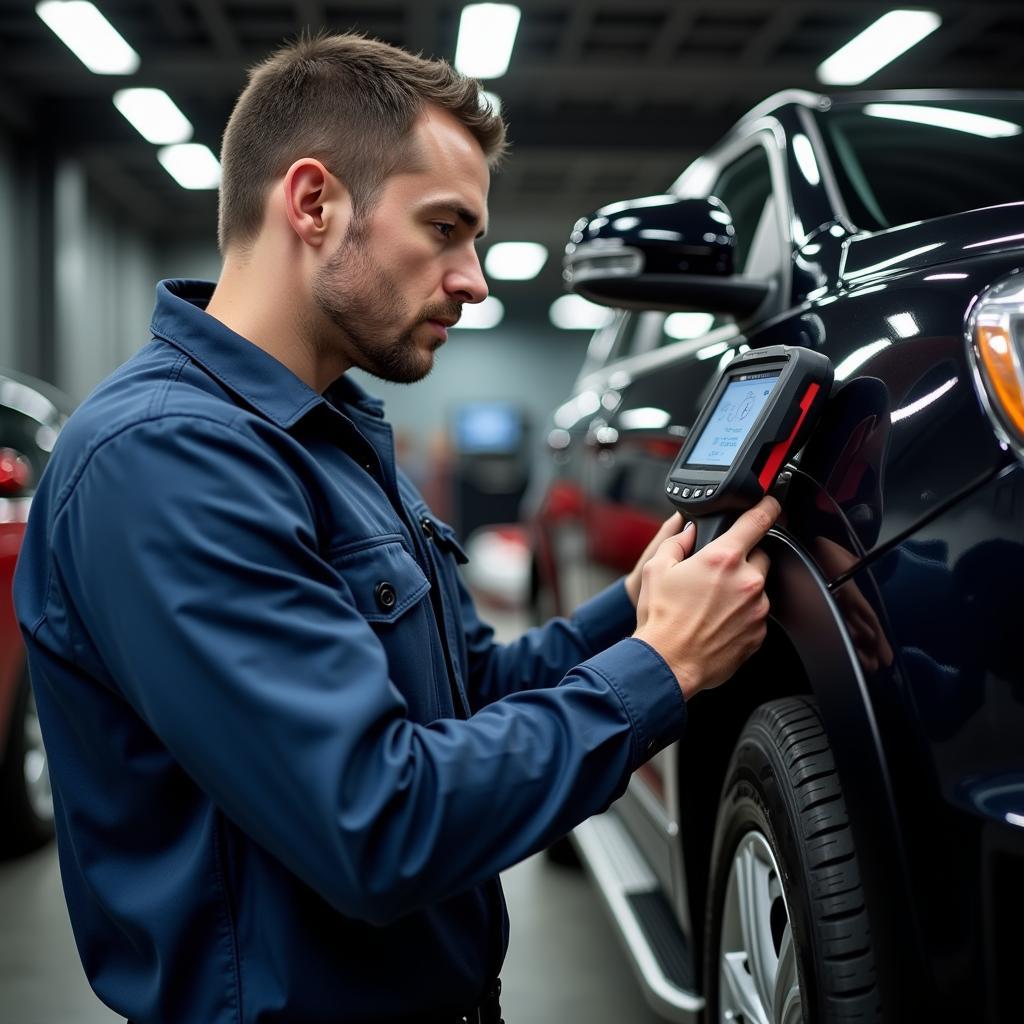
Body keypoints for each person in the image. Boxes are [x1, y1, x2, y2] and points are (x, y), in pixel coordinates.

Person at [13, 32, 779, 1024]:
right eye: (445, 229)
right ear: (314, 202)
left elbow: (466, 698)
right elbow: (376, 822)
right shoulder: (166, 463)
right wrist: (662, 670)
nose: (475, 279)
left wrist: (633, 616)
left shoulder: (325, 437)